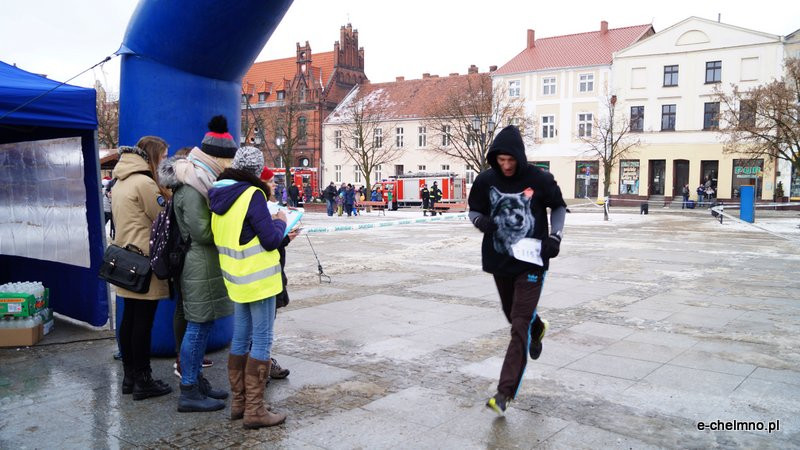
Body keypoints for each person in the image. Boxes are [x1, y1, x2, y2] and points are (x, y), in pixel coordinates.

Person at [467, 125, 566, 415]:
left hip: (532, 261)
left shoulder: (540, 178)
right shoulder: (485, 180)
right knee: (512, 314)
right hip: (500, 259)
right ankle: (538, 327)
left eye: (511, 160)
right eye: (501, 160)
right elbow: (474, 210)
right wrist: (479, 222)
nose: (506, 165)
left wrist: (555, 237)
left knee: (518, 324)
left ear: (519, 158)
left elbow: (559, 207)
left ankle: (504, 393)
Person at [158, 116, 238, 413]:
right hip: (199, 263)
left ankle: (196, 382)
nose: (228, 166)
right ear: (216, 158)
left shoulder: (198, 180)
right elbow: (202, 232)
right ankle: (189, 388)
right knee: (198, 325)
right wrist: (229, 222)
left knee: (201, 325)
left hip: (202, 263)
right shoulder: (193, 187)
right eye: (226, 160)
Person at [209, 146, 288, 428]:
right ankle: (255, 410)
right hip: (259, 277)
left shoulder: (218, 193)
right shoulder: (252, 194)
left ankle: (239, 403)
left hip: (235, 276)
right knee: (262, 339)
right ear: (256, 171)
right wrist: (281, 223)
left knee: (241, 338)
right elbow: (270, 240)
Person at [113, 136, 173, 400]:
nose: (165, 162)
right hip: (145, 262)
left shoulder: (121, 180)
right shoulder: (145, 183)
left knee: (129, 319)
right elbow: (163, 217)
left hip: (125, 260)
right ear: (153, 156)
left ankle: (129, 377)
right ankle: (143, 379)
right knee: (143, 323)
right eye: (164, 156)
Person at [260, 167, 295, 382]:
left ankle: (263, 364)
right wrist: (282, 226)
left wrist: (286, 233)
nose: (274, 185)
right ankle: (260, 370)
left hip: (271, 269)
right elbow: (268, 241)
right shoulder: (259, 207)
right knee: (261, 327)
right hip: (263, 273)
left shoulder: (267, 205)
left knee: (265, 324)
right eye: (270, 181)